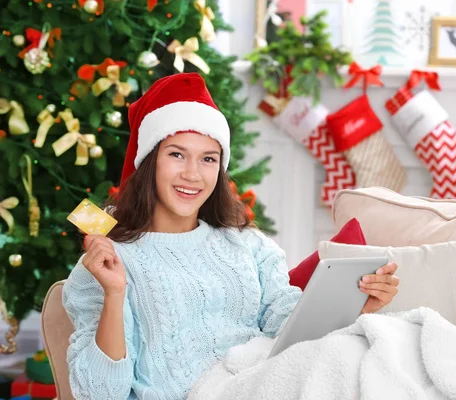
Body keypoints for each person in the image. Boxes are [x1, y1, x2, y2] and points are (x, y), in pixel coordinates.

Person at [62, 73, 400, 400]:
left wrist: (356, 308)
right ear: (150, 162)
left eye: (208, 158)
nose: (193, 174)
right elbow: (100, 394)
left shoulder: (248, 245)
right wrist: (115, 293)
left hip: (265, 380)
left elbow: (288, 327)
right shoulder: (107, 266)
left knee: (407, 333)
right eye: (176, 154)